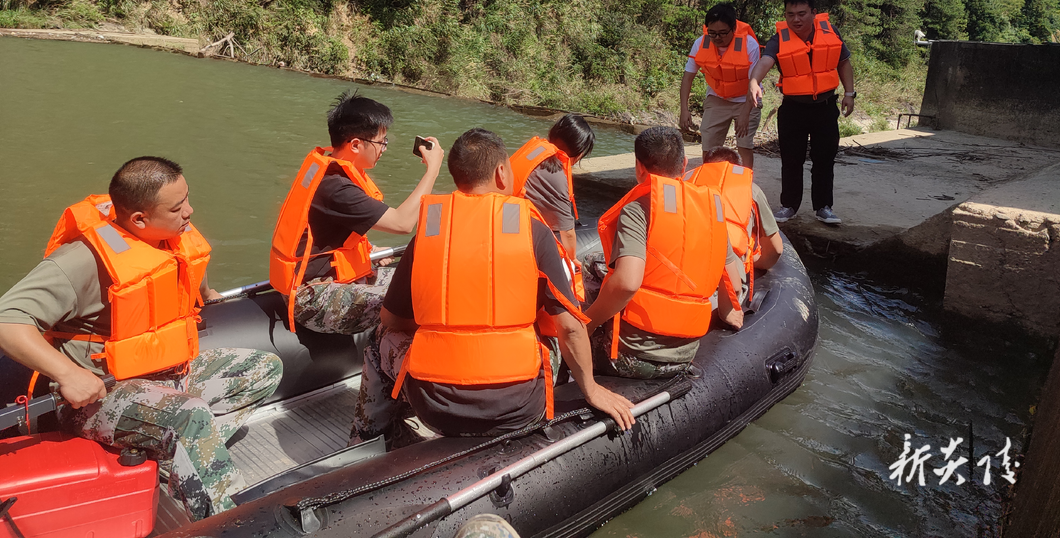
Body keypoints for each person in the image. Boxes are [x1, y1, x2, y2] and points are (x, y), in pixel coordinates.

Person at [0, 157, 283, 521]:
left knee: (262, 369)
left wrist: (208, 291)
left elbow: (187, 269)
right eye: (178, 207)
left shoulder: (169, 236)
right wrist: (69, 375)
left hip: (167, 376)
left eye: (188, 200)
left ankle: (174, 462)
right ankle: (233, 523)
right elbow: (8, 319)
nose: (190, 212)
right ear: (138, 219)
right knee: (189, 416)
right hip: (102, 394)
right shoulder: (83, 261)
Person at [350, 128, 634, 445]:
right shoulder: (534, 229)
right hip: (519, 406)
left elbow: (391, 320)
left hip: (434, 407)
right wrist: (592, 390)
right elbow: (569, 328)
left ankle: (369, 437)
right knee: (550, 330)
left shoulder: (430, 229)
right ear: (501, 173)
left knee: (379, 339)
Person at [269, 91, 444, 333]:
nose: (384, 148)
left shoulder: (335, 174)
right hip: (312, 296)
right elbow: (403, 223)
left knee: (426, 280)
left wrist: (369, 251)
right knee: (412, 300)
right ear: (355, 144)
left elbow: (327, 234)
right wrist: (432, 170)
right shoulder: (335, 187)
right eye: (381, 142)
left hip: (333, 279)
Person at [584, 127, 744, 380]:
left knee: (588, 267)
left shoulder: (637, 210)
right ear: (684, 165)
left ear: (639, 168)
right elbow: (733, 283)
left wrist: (587, 324)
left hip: (631, 358)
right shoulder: (713, 212)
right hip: (686, 355)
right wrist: (726, 313)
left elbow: (626, 283)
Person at [747, 0, 855, 226]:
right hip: (793, 109)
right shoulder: (779, 38)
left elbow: (844, 62)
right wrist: (754, 81)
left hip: (825, 107)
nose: (796, 19)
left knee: (824, 159)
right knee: (791, 159)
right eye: (790, 14)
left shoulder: (830, 32)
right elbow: (766, 61)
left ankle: (823, 207)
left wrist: (849, 93)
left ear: (814, 13)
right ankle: (789, 206)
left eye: (802, 13)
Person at [509, 114, 594, 302]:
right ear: (579, 153)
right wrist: (573, 260)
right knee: (570, 273)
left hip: (505, 225)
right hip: (518, 241)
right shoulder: (555, 173)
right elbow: (568, 233)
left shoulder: (533, 152)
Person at [686, 146, 784, 304]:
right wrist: (754, 261)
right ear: (739, 169)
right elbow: (776, 250)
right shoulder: (752, 190)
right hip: (722, 288)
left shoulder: (684, 184)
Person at [680, 3, 762, 169]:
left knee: (744, 143)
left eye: (723, 33)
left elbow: (754, 83)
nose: (717, 38)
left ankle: (744, 184)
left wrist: (745, 113)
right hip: (717, 98)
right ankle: (710, 181)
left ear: (733, 28)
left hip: (746, 99)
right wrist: (684, 109)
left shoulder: (749, 45)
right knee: (709, 145)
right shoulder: (700, 44)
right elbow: (688, 78)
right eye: (712, 33)